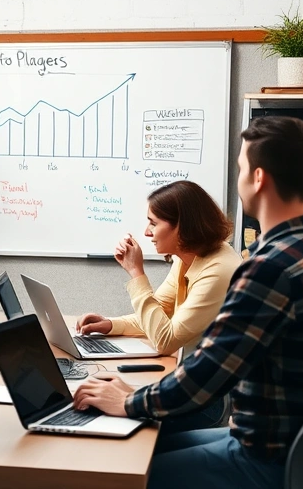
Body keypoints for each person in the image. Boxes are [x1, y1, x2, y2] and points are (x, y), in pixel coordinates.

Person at [72, 116, 303, 489]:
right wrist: (134, 392)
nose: (238, 178)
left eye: (240, 168)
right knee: (144, 448)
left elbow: (204, 377)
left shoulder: (268, 271)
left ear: (258, 178)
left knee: (120, 473)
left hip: (264, 457)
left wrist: (128, 402)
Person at [75, 180, 241, 433]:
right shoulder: (189, 257)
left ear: (182, 227)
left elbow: (165, 340)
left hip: (208, 403)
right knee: (102, 401)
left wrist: (136, 273)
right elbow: (159, 314)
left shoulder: (218, 270)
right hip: (187, 386)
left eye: (153, 223)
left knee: (104, 413)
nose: (146, 232)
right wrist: (110, 325)